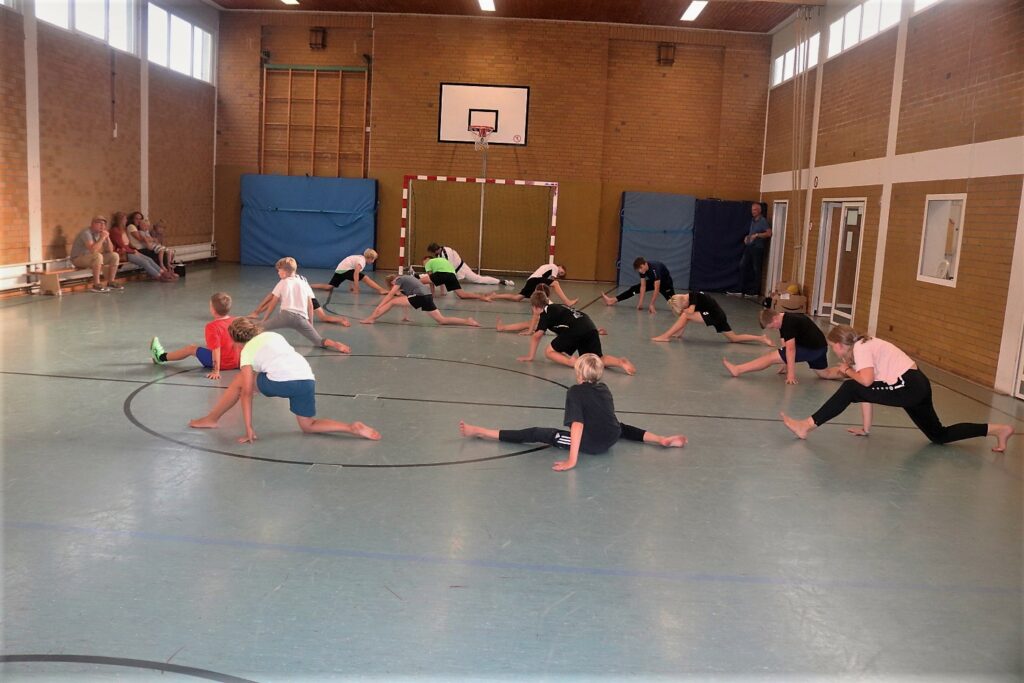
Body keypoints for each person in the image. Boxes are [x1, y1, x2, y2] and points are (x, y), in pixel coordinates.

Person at [780, 325, 1014, 452]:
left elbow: (865, 384)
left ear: (841, 345)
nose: (835, 351)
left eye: (834, 347)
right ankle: (997, 429)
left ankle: (806, 426)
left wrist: (847, 371)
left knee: (851, 387)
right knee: (938, 435)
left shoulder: (861, 348)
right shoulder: (864, 346)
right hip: (917, 384)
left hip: (908, 385)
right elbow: (868, 389)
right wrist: (866, 428)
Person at [459, 354, 685, 471]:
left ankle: (481, 431)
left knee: (541, 433)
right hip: (612, 434)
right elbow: (608, 418)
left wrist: (572, 460)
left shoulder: (575, 392)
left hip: (594, 444)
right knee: (623, 427)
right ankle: (660, 439)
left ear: (579, 374)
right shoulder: (603, 387)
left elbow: (577, 425)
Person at [188, 318, 381, 443]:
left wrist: (248, 429)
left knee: (240, 380)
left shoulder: (246, 352)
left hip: (282, 382)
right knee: (308, 425)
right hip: (306, 379)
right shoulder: (273, 335)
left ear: (235, 340)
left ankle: (211, 419)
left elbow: (246, 393)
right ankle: (350, 427)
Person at [518, 290, 636, 375]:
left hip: (576, 330)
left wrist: (530, 356)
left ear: (534, 307)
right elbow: (575, 320)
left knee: (549, 351)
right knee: (596, 358)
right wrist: (595, 330)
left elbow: (537, 336)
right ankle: (620, 362)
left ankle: (573, 363)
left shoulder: (545, 314)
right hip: (588, 325)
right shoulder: (558, 306)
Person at [723, 308, 845, 383]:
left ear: (775, 318)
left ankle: (738, 369)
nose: (772, 329)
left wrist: (791, 374)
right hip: (820, 347)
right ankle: (852, 373)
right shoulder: (784, 319)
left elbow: (790, 350)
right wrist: (784, 363)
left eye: (771, 326)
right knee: (825, 374)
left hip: (811, 349)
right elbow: (784, 343)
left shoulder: (788, 323)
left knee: (770, 357)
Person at [256, 257, 350, 353]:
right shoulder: (304, 283)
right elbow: (310, 304)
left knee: (259, 327)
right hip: (301, 319)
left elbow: (273, 303)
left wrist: (265, 319)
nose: (278, 273)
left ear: (284, 272)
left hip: (285, 317)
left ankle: (244, 339)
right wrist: (311, 323)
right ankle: (335, 345)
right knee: (318, 341)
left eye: (279, 271)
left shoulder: (282, 282)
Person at [150, 292, 240, 380]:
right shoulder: (236, 321)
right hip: (237, 362)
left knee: (191, 349)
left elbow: (216, 350)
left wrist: (216, 371)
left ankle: (161, 357)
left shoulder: (212, 327)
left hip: (222, 364)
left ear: (212, 309)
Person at [652, 293, 773, 345]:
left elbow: (688, 313)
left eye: (682, 307)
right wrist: (680, 333)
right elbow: (688, 316)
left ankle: (665, 336)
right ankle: (761, 338)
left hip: (715, 315)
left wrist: (683, 311)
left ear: (683, 301)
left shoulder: (693, 296)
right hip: (718, 315)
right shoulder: (690, 300)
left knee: (686, 315)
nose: (684, 308)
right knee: (734, 338)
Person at [361, 273, 480, 326]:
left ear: (393, 282)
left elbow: (391, 295)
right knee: (441, 320)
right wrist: (406, 316)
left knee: (391, 302)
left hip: (421, 296)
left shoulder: (399, 280)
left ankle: (371, 319)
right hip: (427, 296)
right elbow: (405, 299)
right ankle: (467, 321)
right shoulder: (406, 282)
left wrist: (379, 306)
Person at [109, 211, 174, 282]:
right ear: (120, 220)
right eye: (124, 219)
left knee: (149, 259)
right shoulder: (115, 230)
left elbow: (128, 244)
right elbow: (121, 245)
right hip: (123, 253)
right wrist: (133, 251)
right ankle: (158, 276)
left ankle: (163, 273)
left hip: (129, 251)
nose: (126, 221)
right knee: (144, 262)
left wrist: (134, 249)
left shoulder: (123, 230)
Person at [601, 257, 675, 313]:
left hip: (666, 284)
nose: (640, 271)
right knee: (634, 290)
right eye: (639, 269)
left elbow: (657, 289)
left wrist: (651, 304)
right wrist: (640, 302)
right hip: (654, 282)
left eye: (641, 268)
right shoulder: (642, 271)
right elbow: (643, 286)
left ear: (645, 264)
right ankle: (613, 300)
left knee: (674, 305)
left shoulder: (654, 269)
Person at [69, 215, 122, 293]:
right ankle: (96, 284)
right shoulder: (86, 233)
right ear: (92, 224)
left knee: (114, 255)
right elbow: (93, 249)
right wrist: (102, 238)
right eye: (99, 223)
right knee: (97, 256)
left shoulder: (101, 234)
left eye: (104, 224)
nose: (102, 226)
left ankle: (111, 282)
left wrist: (107, 238)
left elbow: (110, 250)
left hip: (91, 258)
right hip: (78, 259)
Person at [486, 263, 577, 306]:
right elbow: (552, 281)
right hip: (535, 280)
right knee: (556, 283)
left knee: (517, 298)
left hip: (531, 280)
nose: (559, 274)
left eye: (561, 274)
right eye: (561, 272)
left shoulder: (548, 268)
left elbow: (546, 282)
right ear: (560, 266)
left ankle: (495, 296)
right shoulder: (554, 267)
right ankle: (567, 302)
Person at [426, 242, 514, 287]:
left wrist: (447, 278)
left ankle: (501, 281)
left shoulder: (447, 251)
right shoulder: (438, 254)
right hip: (452, 271)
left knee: (478, 279)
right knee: (436, 281)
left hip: (461, 269)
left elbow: (450, 267)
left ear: (436, 249)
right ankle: (417, 276)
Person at [311, 249, 388, 296]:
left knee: (329, 287)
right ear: (369, 258)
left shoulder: (360, 258)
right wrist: (356, 288)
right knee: (366, 278)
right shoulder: (362, 261)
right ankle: (380, 289)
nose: (373, 261)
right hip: (344, 270)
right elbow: (355, 274)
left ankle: (309, 286)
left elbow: (351, 271)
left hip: (340, 270)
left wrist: (351, 286)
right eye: (373, 259)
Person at [736, 202, 771, 298]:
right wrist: (748, 237)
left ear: (759, 210)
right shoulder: (753, 221)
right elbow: (752, 232)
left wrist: (757, 235)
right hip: (750, 246)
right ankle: (741, 289)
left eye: (755, 210)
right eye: (752, 210)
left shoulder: (763, 221)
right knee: (742, 265)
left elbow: (768, 233)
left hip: (758, 248)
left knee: (756, 269)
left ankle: (755, 291)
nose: (753, 212)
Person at [422, 255, 492, 301]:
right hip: (452, 275)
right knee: (462, 295)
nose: (423, 265)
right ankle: (481, 297)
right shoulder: (440, 261)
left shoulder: (428, 263)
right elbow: (440, 280)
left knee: (419, 281)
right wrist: (442, 292)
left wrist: (432, 294)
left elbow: (431, 279)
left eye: (423, 263)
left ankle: (411, 294)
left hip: (442, 274)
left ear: (427, 259)